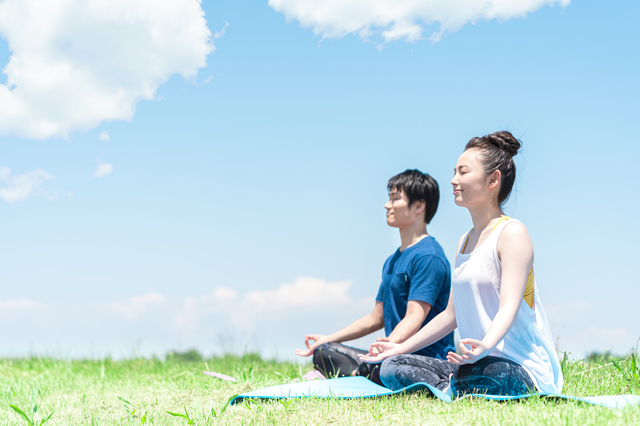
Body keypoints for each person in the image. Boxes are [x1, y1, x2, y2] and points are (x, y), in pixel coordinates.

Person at [359, 131, 563, 397]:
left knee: (477, 372)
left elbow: (509, 307)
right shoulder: (464, 241)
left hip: (520, 366)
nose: (454, 180)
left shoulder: (512, 233)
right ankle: (452, 387)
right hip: (472, 363)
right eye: (454, 172)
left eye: (463, 172)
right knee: (392, 366)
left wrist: (486, 345)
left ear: (493, 179)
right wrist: (399, 347)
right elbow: (450, 315)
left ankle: (453, 387)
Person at [295, 169, 455, 385]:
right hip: (393, 353)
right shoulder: (392, 260)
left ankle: (364, 373)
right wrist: (329, 337)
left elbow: (414, 318)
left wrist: (389, 345)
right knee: (325, 351)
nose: (387, 205)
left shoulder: (429, 256)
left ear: (419, 206)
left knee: (387, 365)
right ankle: (364, 373)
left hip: (423, 359)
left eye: (395, 199)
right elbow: (375, 318)